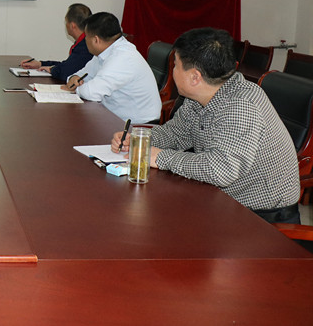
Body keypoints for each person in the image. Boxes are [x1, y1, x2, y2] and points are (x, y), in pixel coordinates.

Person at [111, 28, 300, 223]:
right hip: (221, 200)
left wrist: (161, 157)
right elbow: (175, 134)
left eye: (176, 65)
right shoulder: (202, 94)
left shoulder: (241, 106)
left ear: (195, 77)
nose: (172, 71)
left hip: (261, 218)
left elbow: (221, 170)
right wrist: (137, 139)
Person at [64, 12, 161, 124]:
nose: (85, 40)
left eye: (86, 37)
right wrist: (74, 77)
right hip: (114, 117)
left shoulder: (122, 58)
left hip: (138, 126)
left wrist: (76, 87)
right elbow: (84, 74)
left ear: (96, 40)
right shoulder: (105, 51)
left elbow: (91, 93)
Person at [20, 3, 93, 82]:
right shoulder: (83, 41)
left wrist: (52, 69)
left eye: (66, 22)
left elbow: (66, 72)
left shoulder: (85, 45)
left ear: (72, 26)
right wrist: (40, 64)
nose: (66, 25)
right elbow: (67, 65)